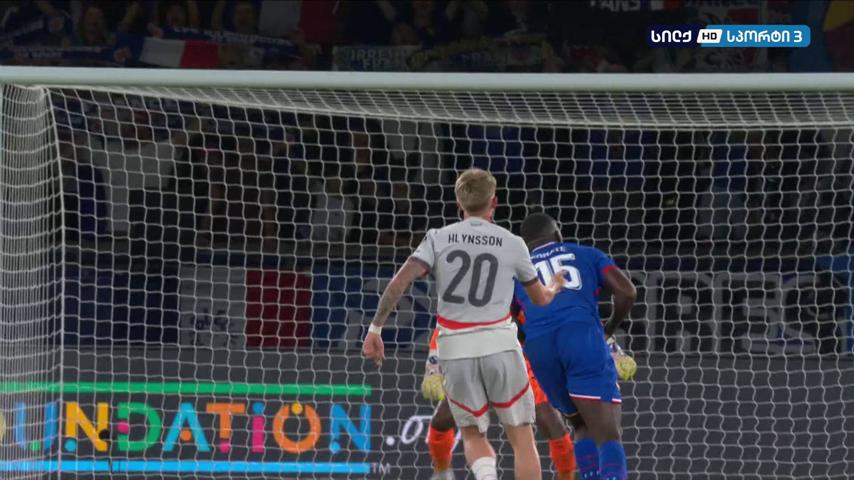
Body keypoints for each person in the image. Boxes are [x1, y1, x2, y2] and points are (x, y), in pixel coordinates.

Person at [362, 168, 565, 480]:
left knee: (471, 434)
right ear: (494, 202)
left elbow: (399, 282)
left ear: (459, 202)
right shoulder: (513, 243)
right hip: (501, 346)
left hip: (456, 349)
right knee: (523, 439)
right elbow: (540, 299)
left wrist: (375, 328)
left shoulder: (437, 238)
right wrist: (553, 286)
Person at [514, 212, 637, 480]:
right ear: (558, 234)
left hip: (540, 348)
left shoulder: (517, 270)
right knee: (608, 434)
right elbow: (627, 292)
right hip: (581, 336)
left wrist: (528, 340)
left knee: (580, 424)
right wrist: (608, 329)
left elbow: (509, 317)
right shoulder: (586, 253)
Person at [421, 305, 578, 480]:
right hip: (473, 356)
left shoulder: (519, 292)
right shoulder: (464, 293)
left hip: (515, 357)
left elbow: (538, 316)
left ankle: (567, 477)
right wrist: (434, 362)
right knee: (442, 421)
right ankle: (442, 473)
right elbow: (448, 317)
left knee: (549, 422)